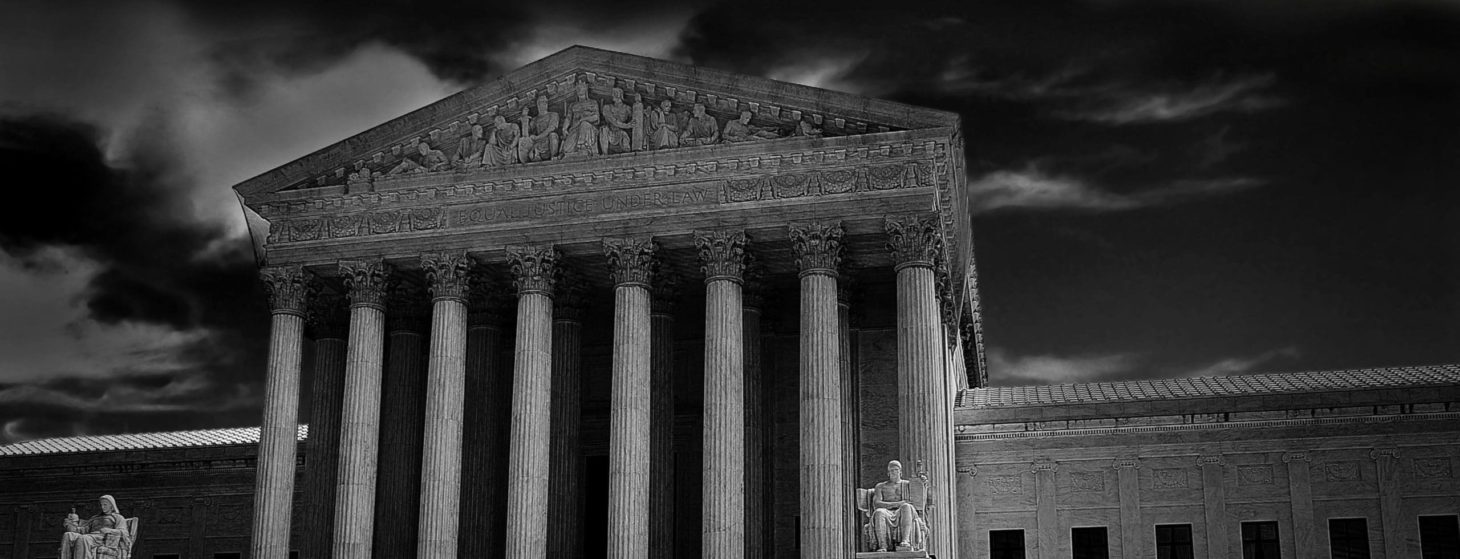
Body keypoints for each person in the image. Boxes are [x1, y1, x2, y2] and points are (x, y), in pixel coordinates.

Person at [868, 460, 927, 552]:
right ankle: (883, 545)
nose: (894, 472)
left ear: (901, 472)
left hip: (903, 511)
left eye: (896, 469)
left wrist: (922, 483)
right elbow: (877, 503)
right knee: (879, 512)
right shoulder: (880, 486)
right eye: (892, 470)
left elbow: (920, 497)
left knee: (906, 507)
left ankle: (905, 540)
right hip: (887, 511)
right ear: (888, 473)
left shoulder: (908, 485)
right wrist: (896, 504)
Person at [60, 495, 131, 559]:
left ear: (111, 506)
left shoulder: (118, 517)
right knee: (68, 535)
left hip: (103, 538)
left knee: (83, 538)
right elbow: (84, 530)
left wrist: (109, 530)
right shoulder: (95, 517)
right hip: (91, 536)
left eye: (105, 505)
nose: (102, 507)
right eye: (101, 505)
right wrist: (70, 525)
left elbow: (124, 532)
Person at [561, 79, 601, 158]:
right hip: (575, 128)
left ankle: (582, 146)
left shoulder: (592, 102)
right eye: (578, 88)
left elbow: (596, 117)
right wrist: (564, 128)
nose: (579, 90)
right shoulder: (573, 105)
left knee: (584, 124)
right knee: (566, 148)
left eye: (581, 87)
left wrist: (583, 119)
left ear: (586, 88)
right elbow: (568, 118)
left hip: (589, 128)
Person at [517, 95, 560, 163]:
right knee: (531, 154)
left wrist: (537, 137)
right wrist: (524, 117)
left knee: (553, 135)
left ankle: (553, 157)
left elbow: (551, 128)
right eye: (542, 102)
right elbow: (527, 134)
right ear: (538, 104)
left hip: (549, 143)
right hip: (537, 145)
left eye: (546, 102)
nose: (544, 103)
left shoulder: (553, 115)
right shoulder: (535, 119)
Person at [599, 87, 636, 154]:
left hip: (621, 132)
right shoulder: (607, 107)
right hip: (609, 132)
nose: (613, 95)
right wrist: (627, 125)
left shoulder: (627, 108)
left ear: (620, 95)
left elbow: (636, 119)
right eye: (613, 93)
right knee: (603, 129)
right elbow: (613, 121)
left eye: (615, 93)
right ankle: (604, 155)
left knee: (625, 141)